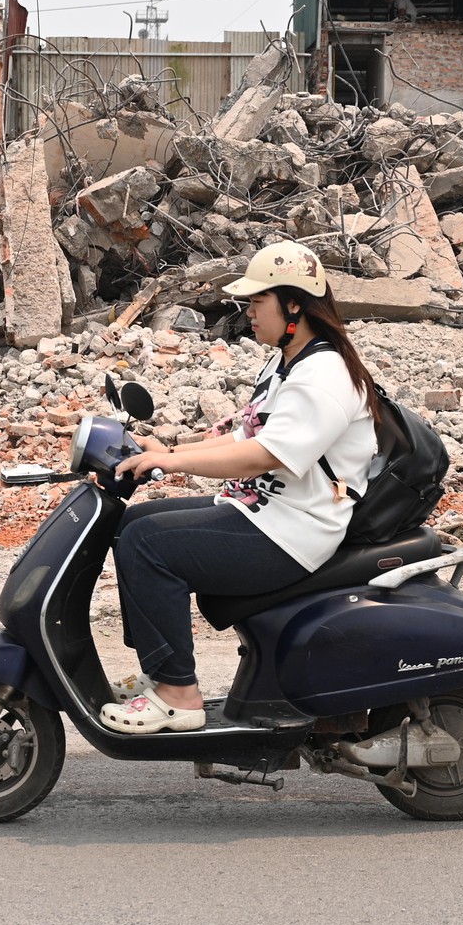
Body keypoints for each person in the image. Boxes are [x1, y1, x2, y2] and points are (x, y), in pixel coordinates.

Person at [99, 240, 381, 734]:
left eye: (257, 301)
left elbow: (264, 454)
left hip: (295, 531)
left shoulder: (324, 375)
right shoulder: (288, 360)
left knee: (147, 545)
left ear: (294, 304)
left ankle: (178, 694)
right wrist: (167, 450)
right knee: (135, 523)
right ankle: (157, 669)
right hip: (265, 511)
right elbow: (244, 433)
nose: (248, 311)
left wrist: (173, 465)